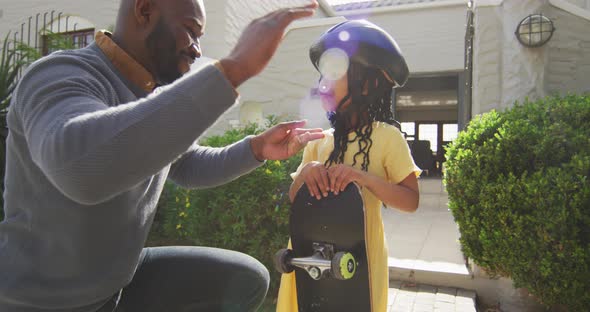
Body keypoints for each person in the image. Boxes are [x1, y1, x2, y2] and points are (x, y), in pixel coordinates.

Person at [0, 0, 324, 311]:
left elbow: (187, 165)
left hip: (115, 283)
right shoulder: (60, 74)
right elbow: (80, 169)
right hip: (40, 300)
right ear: (144, 10)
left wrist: (255, 148)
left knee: (243, 278)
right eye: (190, 30)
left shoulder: (148, 94)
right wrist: (234, 69)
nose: (196, 49)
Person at [276, 20, 422, 311]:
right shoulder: (319, 142)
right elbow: (294, 199)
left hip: (359, 260)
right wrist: (305, 174)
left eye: (333, 73)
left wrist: (363, 178)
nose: (322, 85)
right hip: (308, 258)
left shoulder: (387, 138)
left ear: (366, 84)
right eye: (321, 76)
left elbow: (410, 201)